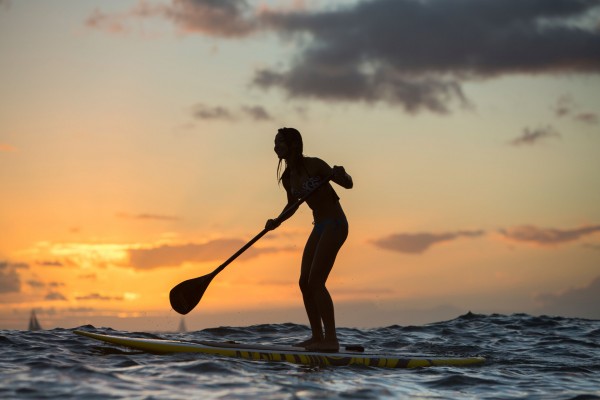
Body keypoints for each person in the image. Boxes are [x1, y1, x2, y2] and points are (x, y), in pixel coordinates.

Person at [265, 127, 353, 352]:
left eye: (280, 142)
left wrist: (341, 174)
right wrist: (277, 221)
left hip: (335, 224)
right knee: (304, 282)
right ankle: (317, 337)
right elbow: (291, 206)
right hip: (319, 226)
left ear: (294, 144)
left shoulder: (314, 165)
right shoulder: (287, 178)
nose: (275, 147)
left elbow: (348, 183)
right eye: (275, 143)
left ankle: (331, 340)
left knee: (316, 282)